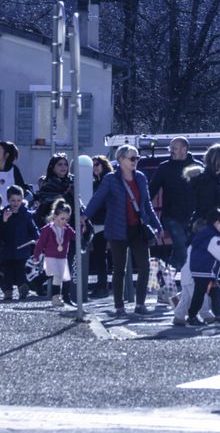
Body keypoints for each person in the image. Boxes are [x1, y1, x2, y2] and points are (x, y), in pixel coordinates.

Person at [82, 144, 161, 318]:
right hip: (117, 228)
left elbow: (147, 204)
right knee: (119, 269)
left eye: (137, 158)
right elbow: (98, 199)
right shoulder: (111, 179)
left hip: (138, 229)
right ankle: (119, 306)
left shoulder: (140, 177)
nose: (135, 161)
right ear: (121, 160)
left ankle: (140, 304)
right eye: (132, 158)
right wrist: (85, 216)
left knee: (145, 266)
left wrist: (157, 225)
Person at [148, 136, 202, 271]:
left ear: (184, 149)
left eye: (174, 148)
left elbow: (208, 188)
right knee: (183, 251)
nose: (171, 151)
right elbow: (151, 191)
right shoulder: (164, 168)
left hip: (193, 218)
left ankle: (166, 277)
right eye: (170, 148)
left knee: (183, 252)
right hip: (172, 217)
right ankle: (191, 285)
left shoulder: (198, 167)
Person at [187, 209, 220, 326]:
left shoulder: (205, 234)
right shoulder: (213, 238)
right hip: (205, 271)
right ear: (216, 223)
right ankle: (192, 316)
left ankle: (218, 315)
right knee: (200, 294)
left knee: (214, 292)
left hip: (202, 270)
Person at [33, 198, 77, 308]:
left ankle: (39, 282)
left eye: (66, 219)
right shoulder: (47, 229)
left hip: (62, 257)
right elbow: (40, 243)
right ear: (55, 216)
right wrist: (36, 255)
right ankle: (55, 298)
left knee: (65, 278)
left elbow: (75, 236)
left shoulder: (67, 228)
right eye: (62, 218)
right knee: (57, 276)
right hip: (51, 256)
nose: (64, 222)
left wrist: (81, 227)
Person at [1, 185, 39, 300]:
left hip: (23, 248)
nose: (16, 203)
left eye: (18, 200)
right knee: (7, 271)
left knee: (21, 271)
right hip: (8, 248)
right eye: (13, 200)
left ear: (22, 200)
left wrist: (37, 238)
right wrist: (4, 220)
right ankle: (8, 291)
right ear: (8, 200)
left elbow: (33, 228)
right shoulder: (4, 213)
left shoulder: (26, 214)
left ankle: (23, 290)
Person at [88, 156, 113, 298]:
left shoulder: (106, 181)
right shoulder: (95, 182)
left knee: (101, 255)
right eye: (93, 165)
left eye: (97, 164)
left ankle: (102, 286)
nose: (95, 167)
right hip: (97, 222)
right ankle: (101, 285)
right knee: (99, 255)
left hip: (104, 222)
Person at [34, 153, 74, 221]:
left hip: (72, 220)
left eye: (65, 164)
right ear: (52, 167)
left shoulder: (72, 182)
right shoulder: (46, 185)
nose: (63, 167)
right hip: (52, 221)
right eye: (60, 164)